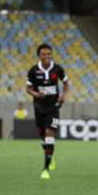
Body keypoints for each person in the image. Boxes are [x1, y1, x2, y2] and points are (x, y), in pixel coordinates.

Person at [26, 43, 69, 180]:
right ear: (39, 56)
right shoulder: (33, 71)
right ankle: (50, 155)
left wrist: (63, 95)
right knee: (43, 138)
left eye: (48, 54)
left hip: (54, 107)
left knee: (50, 133)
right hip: (39, 108)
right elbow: (28, 89)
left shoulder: (57, 69)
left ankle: (45, 169)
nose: (46, 56)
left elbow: (66, 84)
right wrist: (36, 94)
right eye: (43, 54)